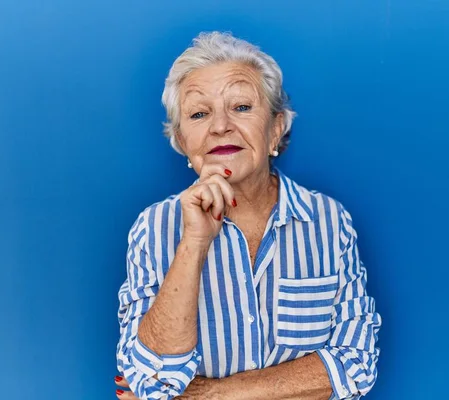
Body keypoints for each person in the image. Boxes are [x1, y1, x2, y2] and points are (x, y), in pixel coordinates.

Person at [114, 31, 382, 400]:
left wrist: (210, 395)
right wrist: (193, 242)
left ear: (276, 129)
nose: (220, 125)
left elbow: (356, 364)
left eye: (241, 107)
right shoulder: (154, 228)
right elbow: (152, 380)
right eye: (198, 113)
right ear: (182, 142)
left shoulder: (329, 221)